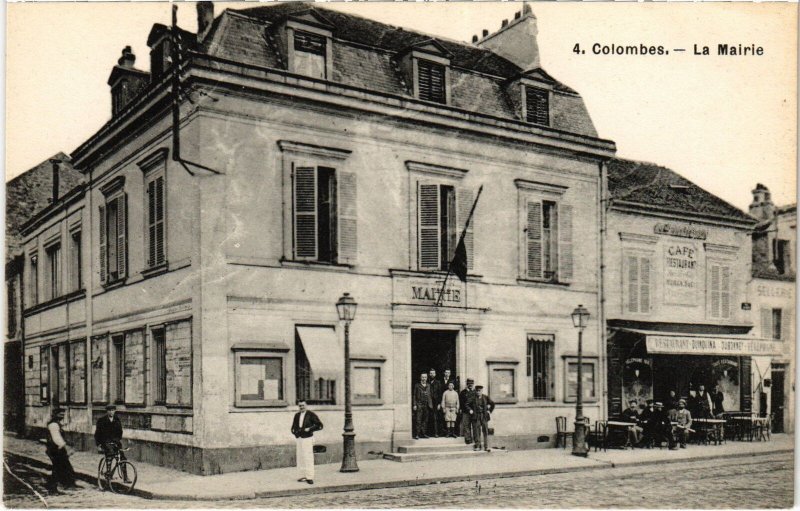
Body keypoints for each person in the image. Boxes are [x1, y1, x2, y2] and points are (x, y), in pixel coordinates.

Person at [45, 408, 77, 495]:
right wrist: (65, 446)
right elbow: (56, 438)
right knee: (58, 467)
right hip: (55, 449)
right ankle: (52, 487)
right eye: (60, 414)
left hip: (58, 449)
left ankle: (68, 483)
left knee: (63, 466)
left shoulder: (57, 424)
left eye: (63, 414)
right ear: (55, 415)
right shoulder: (53, 425)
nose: (62, 416)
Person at [94, 404, 130, 482]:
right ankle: (108, 474)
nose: (111, 412)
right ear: (107, 411)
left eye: (113, 410)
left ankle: (125, 477)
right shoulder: (102, 420)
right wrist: (98, 445)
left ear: (115, 411)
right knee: (110, 454)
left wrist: (117, 440)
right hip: (105, 442)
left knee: (122, 458)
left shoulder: (117, 420)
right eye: (109, 410)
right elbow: (97, 434)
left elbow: (120, 432)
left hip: (115, 442)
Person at [291, 400, 323, 484]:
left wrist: (310, 429)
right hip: (299, 438)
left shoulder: (311, 415)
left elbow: (319, 425)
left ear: (306, 405)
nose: (301, 407)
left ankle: (309, 477)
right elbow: (293, 426)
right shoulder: (297, 415)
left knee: (308, 457)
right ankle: (301, 476)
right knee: (300, 457)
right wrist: (295, 433)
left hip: (307, 438)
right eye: (300, 406)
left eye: (303, 405)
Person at [466, 385, 495, 451]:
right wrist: (470, 410)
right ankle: (478, 446)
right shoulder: (473, 397)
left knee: (485, 431)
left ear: (482, 391)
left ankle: (486, 446)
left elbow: (492, 404)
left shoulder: (485, 397)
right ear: (475, 391)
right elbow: (466, 404)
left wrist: (489, 411)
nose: (478, 392)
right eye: (477, 391)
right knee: (476, 431)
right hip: (476, 417)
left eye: (479, 391)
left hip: (484, 416)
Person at [412, 373, 433, 439]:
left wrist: (430, 404)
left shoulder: (428, 385)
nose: (424, 379)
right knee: (418, 419)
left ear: (427, 378)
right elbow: (414, 395)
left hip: (426, 405)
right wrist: (414, 404)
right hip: (419, 404)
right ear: (420, 378)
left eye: (425, 377)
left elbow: (430, 395)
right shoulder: (417, 385)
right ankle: (417, 434)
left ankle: (423, 433)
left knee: (425, 420)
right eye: (423, 377)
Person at [459, 378, 476, 444]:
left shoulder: (475, 392)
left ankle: (475, 439)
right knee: (466, 426)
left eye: (471, 383)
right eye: (469, 384)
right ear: (467, 384)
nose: (470, 385)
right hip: (465, 412)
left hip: (474, 412)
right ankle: (468, 439)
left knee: (474, 425)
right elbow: (461, 402)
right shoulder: (463, 392)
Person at [428, 368, 443, 437]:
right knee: (428, 417)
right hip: (428, 402)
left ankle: (436, 433)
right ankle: (429, 433)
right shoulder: (427, 382)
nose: (432, 374)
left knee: (435, 418)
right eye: (431, 373)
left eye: (433, 373)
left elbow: (440, 394)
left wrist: (439, 403)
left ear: (435, 374)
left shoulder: (438, 382)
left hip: (436, 403)